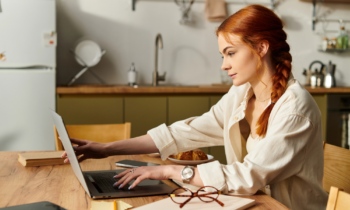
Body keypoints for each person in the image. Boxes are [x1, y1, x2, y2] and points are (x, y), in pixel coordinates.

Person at [62, 5, 328, 210]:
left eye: (231, 53)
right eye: (223, 55)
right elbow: (183, 133)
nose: (224, 65)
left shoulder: (295, 108)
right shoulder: (241, 93)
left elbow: (248, 177)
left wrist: (168, 170)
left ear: (261, 47)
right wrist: (105, 148)